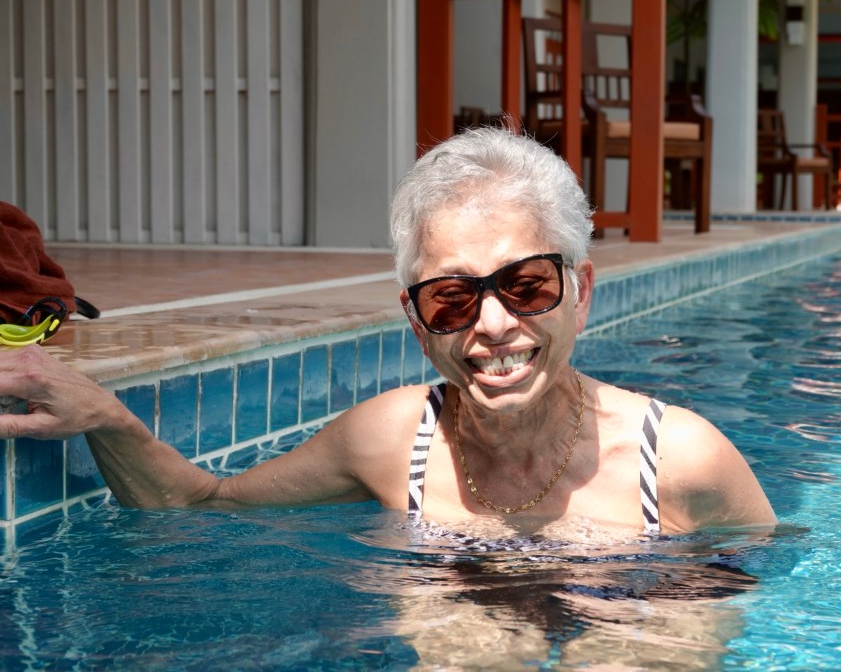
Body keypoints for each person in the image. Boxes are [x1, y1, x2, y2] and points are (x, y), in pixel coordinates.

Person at [0, 127, 775, 538]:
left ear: (581, 293)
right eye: (452, 297)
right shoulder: (392, 440)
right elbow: (202, 505)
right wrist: (107, 417)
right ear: (416, 321)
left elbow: (775, 597)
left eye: (526, 285)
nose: (493, 325)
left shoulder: (681, 460)